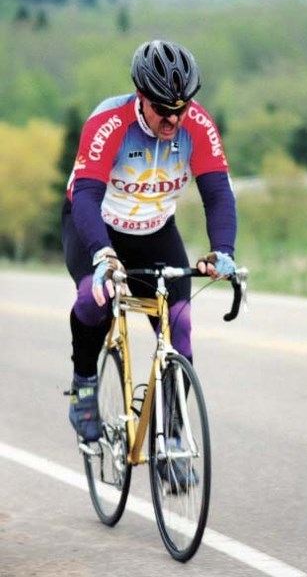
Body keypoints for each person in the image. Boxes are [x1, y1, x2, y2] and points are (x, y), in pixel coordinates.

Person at [62, 39, 237, 442]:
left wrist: (223, 250)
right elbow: (86, 196)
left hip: (155, 229)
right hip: (96, 224)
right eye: (162, 109)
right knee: (94, 297)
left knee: (181, 324)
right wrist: (102, 253)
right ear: (141, 97)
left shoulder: (198, 126)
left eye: (181, 108)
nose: (173, 119)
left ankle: (172, 440)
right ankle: (84, 386)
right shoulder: (110, 124)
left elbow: (218, 193)